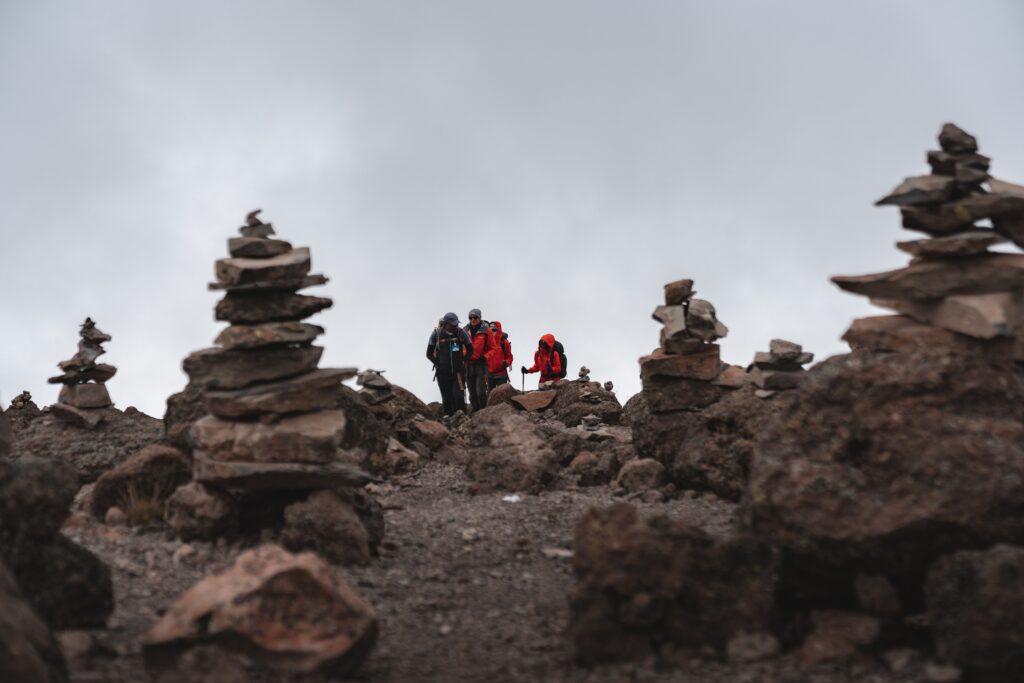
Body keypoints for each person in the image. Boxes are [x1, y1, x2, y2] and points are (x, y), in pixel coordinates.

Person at [427, 312, 473, 416]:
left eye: (456, 324)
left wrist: (463, 361)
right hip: (442, 374)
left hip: (458, 373)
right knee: (446, 398)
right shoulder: (436, 334)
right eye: (453, 324)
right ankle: (449, 421)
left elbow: (470, 350)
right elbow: (428, 353)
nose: (455, 326)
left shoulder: (461, 333)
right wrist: (438, 364)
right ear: (446, 323)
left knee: (459, 397)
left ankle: (463, 419)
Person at [463, 308, 495, 411]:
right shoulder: (464, 330)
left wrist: (485, 357)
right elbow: (461, 346)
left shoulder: (487, 331)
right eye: (470, 318)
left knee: (480, 391)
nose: (472, 320)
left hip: (481, 365)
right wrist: (463, 356)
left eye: (475, 317)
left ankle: (484, 412)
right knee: (472, 394)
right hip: (468, 365)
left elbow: (494, 348)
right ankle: (476, 413)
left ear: (480, 318)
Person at [485, 320, 513, 390]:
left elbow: (509, 356)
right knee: (490, 396)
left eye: (494, 330)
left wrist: (507, 362)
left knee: (503, 395)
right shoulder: (487, 342)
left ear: (499, 330)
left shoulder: (504, 342)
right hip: (489, 375)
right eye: (490, 330)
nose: (492, 332)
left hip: (501, 374)